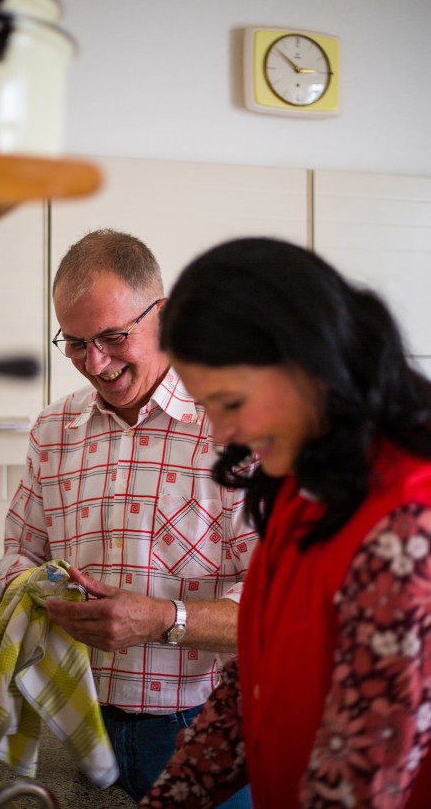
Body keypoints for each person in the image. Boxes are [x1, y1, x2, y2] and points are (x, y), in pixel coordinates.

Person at [140, 236, 431, 808]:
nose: (220, 435)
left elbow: (360, 780)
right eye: (206, 407)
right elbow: (253, 681)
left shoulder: (406, 526)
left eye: (230, 402)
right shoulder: (304, 482)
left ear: (307, 361)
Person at [0, 229, 257, 806]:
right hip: (81, 724)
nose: (96, 363)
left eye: (113, 337)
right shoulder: (53, 430)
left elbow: (276, 609)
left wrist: (165, 618)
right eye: (76, 342)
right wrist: (32, 589)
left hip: (205, 730)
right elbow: (16, 557)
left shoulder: (237, 427)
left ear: (162, 314)